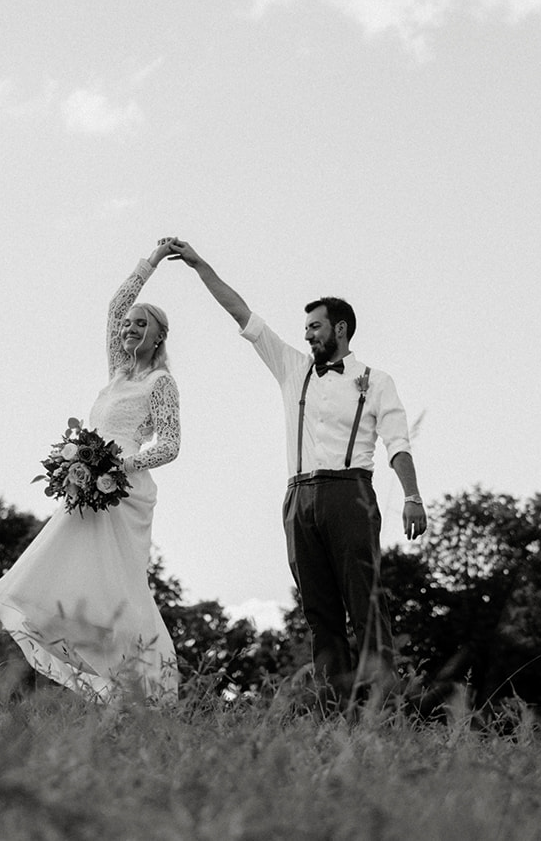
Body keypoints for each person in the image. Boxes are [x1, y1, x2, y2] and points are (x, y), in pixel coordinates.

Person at [163, 238, 426, 700]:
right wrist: (201, 265)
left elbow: (398, 443)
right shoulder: (292, 368)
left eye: (315, 327)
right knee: (318, 612)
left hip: (351, 494)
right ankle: (333, 708)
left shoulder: (377, 381)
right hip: (298, 499)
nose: (306, 335)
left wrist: (411, 495)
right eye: (305, 328)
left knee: (365, 604)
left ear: (340, 329)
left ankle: (381, 708)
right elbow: (241, 313)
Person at [0, 242, 181, 701]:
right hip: (88, 488)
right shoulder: (117, 373)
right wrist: (149, 262)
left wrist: (119, 464)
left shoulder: (161, 382)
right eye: (129, 325)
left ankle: (146, 682)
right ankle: (103, 676)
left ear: (158, 338)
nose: (130, 328)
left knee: (119, 586)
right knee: (61, 570)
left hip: (124, 492)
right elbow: (116, 306)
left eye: (141, 324)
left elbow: (170, 445)